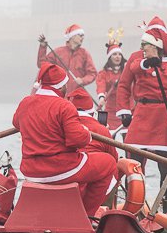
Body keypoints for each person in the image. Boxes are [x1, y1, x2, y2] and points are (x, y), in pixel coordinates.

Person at [13, 63, 115, 218]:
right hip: (59, 169)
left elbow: (16, 123)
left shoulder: (25, 102)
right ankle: (85, 215)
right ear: (60, 87)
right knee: (108, 163)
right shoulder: (64, 106)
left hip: (30, 171)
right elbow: (77, 140)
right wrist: (86, 133)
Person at [116, 27, 167, 215]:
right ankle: (131, 205)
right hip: (141, 117)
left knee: (166, 168)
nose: (141, 48)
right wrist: (125, 112)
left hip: (163, 119)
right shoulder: (139, 63)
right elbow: (131, 70)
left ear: (156, 46)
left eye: (145, 45)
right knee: (133, 164)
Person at [37, 24, 97, 96]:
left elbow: (92, 73)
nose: (82, 37)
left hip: (76, 97)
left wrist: (83, 80)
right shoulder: (58, 52)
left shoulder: (84, 54)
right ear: (72, 36)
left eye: (83, 35)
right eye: (80, 35)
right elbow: (42, 65)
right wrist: (43, 47)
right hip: (59, 95)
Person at [95, 41, 126, 132]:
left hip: (126, 109)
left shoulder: (127, 71)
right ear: (110, 57)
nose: (117, 57)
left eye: (119, 54)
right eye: (114, 54)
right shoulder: (104, 73)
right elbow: (101, 84)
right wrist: (101, 97)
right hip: (111, 111)